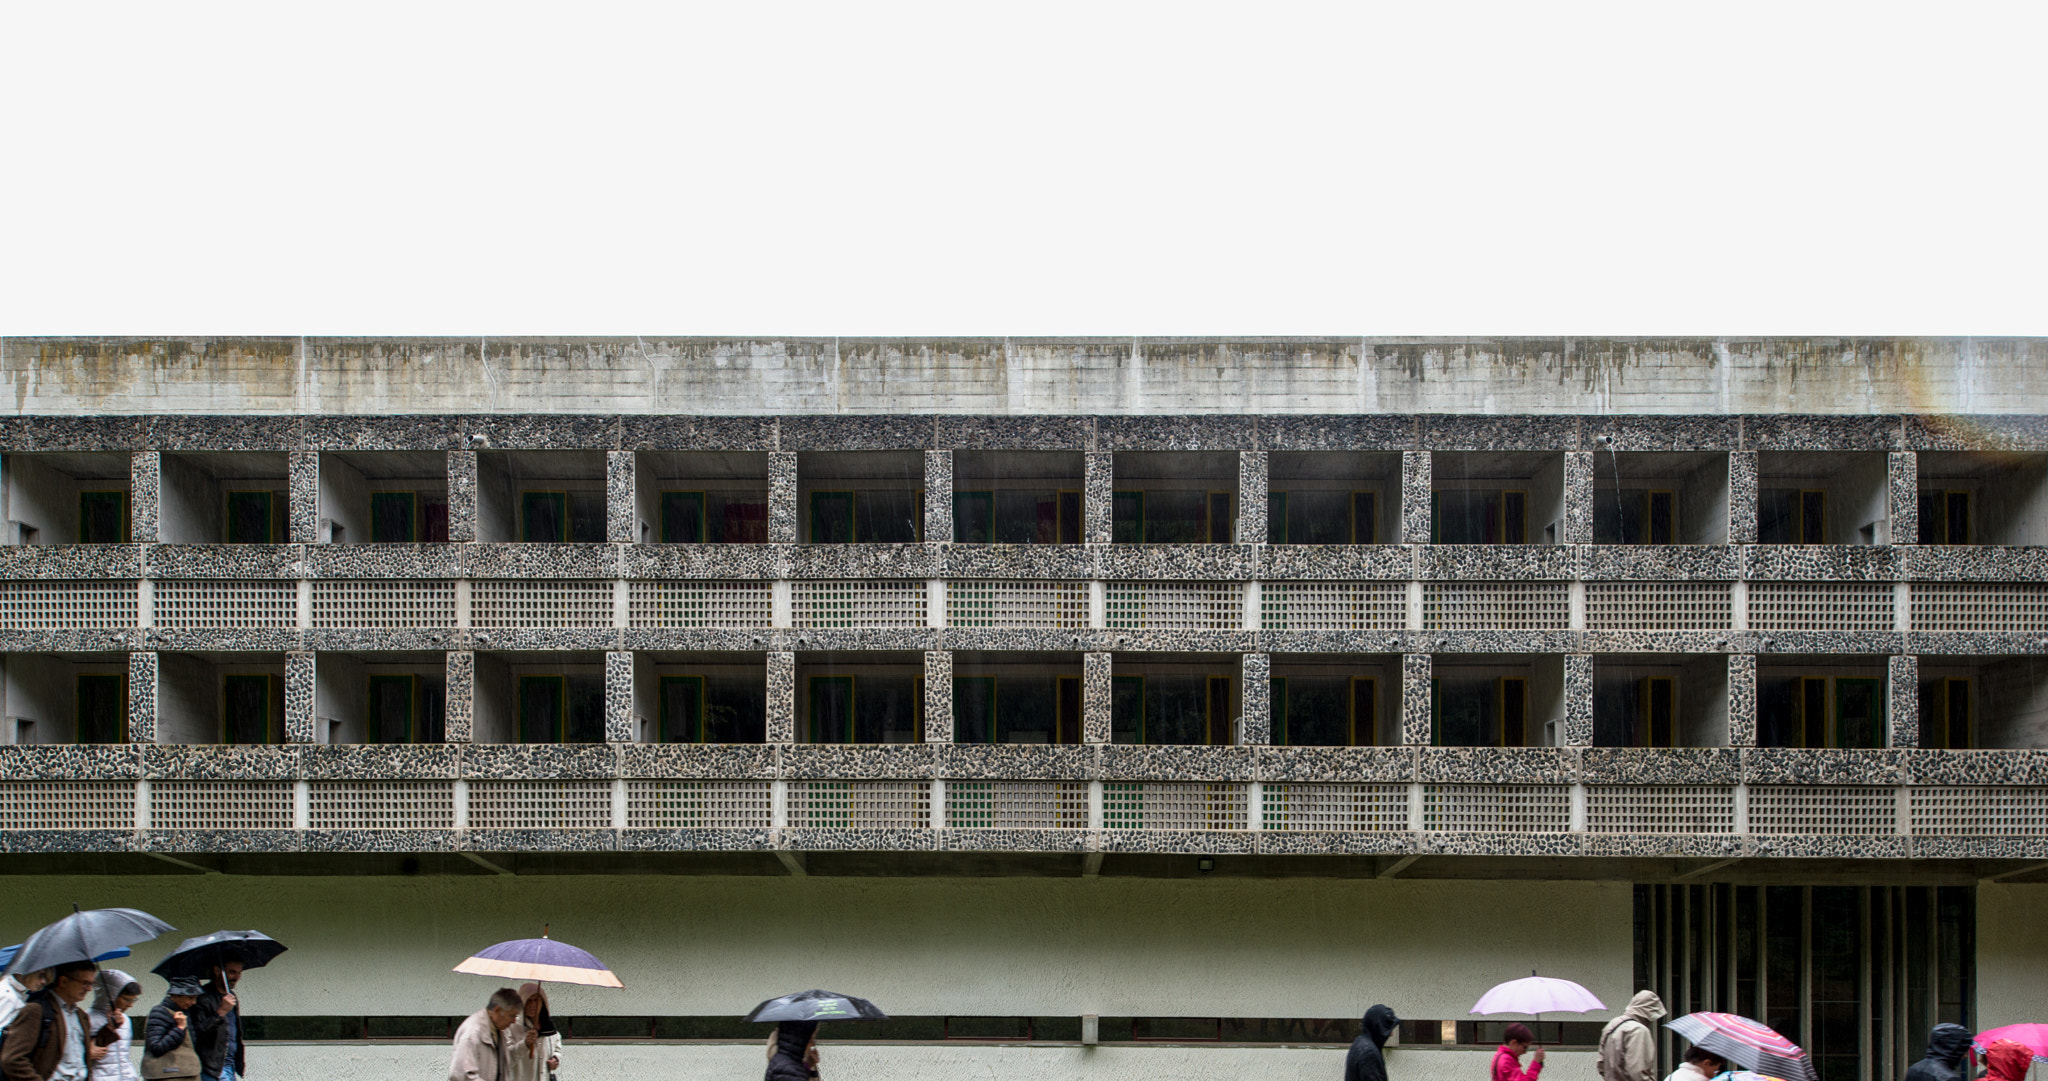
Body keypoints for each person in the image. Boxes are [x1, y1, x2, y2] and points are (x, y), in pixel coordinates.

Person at [0, 959, 107, 1081]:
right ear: (64, 981)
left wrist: (111, 1025)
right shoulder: (36, 1010)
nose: (89, 989)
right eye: (84, 983)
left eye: (91, 984)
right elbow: (12, 1059)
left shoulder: (81, 1016)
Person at [447, 989, 520, 1081]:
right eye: (512, 1015)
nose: (514, 1021)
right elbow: (461, 1075)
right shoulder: (472, 1031)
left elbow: (504, 1064)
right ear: (497, 1010)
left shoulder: (501, 1030)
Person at [188, 963, 244, 1081]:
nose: (237, 977)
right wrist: (221, 1012)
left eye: (239, 972)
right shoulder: (202, 997)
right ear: (217, 971)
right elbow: (198, 1033)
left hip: (230, 1064)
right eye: (232, 972)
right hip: (211, 1067)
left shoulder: (231, 996)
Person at [1596, 990, 1667, 1081]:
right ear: (1649, 1011)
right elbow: (1638, 1071)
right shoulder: (1639, 1030)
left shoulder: (1612, 1026)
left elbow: (1601, 1065)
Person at [84, 972, 140, 1081]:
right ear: (111, 995)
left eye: (133, 1000)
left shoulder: (126, 1020)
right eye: (127, 999)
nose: (130, 1005)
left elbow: (124, 1056)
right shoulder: (87, 1019)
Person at [142, 979, 202, 1070]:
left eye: (196, 998)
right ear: (176, 995)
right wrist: (179, 1028)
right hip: (167, 1074)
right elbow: (156, 1047)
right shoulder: (159, 1012)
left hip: (185, 1071)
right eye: (191, 998)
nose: (194, 1002)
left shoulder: (186, 1012)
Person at [504, 984, 558, 1081]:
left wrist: (555, 1059)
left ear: (543, 1002)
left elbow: (557, 1047)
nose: (532, 1004)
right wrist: (525, 1044)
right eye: (528, 1000)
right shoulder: (510, 1027)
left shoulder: (549, 1029)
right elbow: (506, 1060)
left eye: (536, 1000)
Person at [1344, 1004, 1401, 1081]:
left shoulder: (1359, 1043)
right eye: (1387, 1030)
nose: (1391, 1034)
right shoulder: (1369, 1053)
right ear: (1378, 1027)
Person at [1, 971, 51, 1035]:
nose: (43, 981)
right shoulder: (9, 995)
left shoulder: (12, 991)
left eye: (45, 978)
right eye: (41, 976)